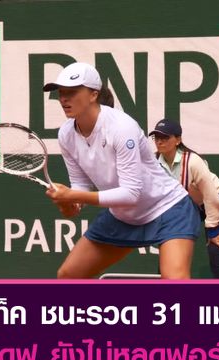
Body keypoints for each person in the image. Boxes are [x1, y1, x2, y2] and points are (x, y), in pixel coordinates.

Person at [43, 62, 200, 279]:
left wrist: (73, 196)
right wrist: (69, 204)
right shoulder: (66, 134)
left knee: (175, 281)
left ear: (93, 94)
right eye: (61, 92)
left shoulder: (121, 127)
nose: (63, 99)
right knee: (69, 276)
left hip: (167, 208)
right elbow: (80, 186)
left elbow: (130, 193)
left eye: (72, 92)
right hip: (122, 215)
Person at [150, 118, 219, 360]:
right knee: (175, 260)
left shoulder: (193, 162)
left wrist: (212, 230)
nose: (160, 141)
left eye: (165, 137)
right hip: (189, 208)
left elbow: (212, 197)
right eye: (156, 137)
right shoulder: (155, 162)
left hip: (216, 203)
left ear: (178, 140)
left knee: (216, 251)